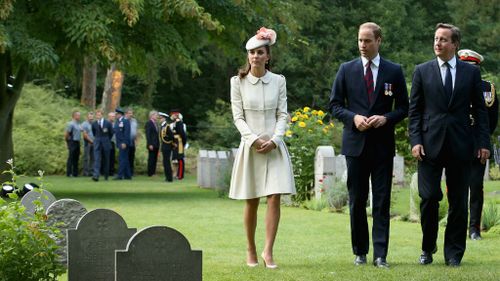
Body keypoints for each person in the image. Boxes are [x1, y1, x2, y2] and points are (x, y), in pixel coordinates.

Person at [409, 23, 490, 267]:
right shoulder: (422, 71)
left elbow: (481, 112)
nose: (437, 43)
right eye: (436, 39)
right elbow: (415, 111)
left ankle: (454, 253)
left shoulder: (471, 73)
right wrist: (415, 141)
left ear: (454, 44)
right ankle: (427, 247)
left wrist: (482, 142)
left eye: (443, 39)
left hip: (461, 145)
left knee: (458, 202)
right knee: (429, 197)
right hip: (429, 146)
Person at [328, 22, 409, 268]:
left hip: (383, 147)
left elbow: (405, 107)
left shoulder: (394, 71)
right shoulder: (346, 69)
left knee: (382, 202)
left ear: (378, 41)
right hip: (355, 146)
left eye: (367, 41)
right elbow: (334, 105)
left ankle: (381, 255)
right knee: (357, 201)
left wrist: (386, 118)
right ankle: (360, 252)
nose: (363, 45)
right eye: (360, 41)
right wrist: (353, 118)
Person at [229, 27, 295, 269]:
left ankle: (268, 251)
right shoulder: (237, 82)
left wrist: (275, 140)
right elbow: (238, 117)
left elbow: (282, 114)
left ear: (268, 56)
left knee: (274, 196)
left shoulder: (279, 81)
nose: (255, 56)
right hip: (251, 145)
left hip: (274, 146)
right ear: (248, 56)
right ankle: (251, 249)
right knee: (252, 199)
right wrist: (254, 139)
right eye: (251, 52)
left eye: (259, 52)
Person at [457, 49, 498, 241]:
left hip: (476, 144)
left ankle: (474, 228)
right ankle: (456, 223)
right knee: (456, 185)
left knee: (475, 186)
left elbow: (492, 120)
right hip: (455, 142)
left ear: (477, 68)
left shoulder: (487, 88)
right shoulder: (452, 84)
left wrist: (483, 142)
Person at [91, 109, 114, 181]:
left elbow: (111, 133)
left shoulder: (108, 123)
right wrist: (98, 139)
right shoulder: (94, 124)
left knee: (106, 159)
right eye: (97, 115)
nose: (98, 116)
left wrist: (106, 139)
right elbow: (94, 133)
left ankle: (106, 175)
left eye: (99, 114)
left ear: (102, 115)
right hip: (97, 142)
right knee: (97, 159)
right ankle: (96, 175)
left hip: (106, 142)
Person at [114, 108, 132, 180]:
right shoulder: (117, 121)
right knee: (125, 159)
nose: (116, 115)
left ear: (120, 114)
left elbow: (126, 133)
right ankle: (128, 175)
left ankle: (120, 175)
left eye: (117, 114)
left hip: (124, 143)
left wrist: (124, 142)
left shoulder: (125, 121)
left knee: (122, 159)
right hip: (119, 143)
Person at [170, 110, 187, 180]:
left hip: (179, 142)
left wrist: (183, 142)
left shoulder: (179, 122)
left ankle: (180, 175)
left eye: (173, 115)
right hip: (175, 142)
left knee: (180, 159)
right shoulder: (174, 123)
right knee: (175, 159)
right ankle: (176, 174)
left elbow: (182, 134)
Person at [64, 110, 82, 177]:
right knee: (71, 157)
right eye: (78, 115)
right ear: (74, 116)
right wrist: (68, 142)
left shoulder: (78, 124)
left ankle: (75, 173)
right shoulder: (70, 124)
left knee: (76, 158)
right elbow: (66, 134)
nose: (79, 116)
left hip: (77, 142)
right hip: (72, 142)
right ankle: (69, 173)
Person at [159, 112, 175, 182]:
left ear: (164, 118)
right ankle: (167, 177)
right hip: (164, 146)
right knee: (165, 162)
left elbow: (172, 136)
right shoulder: (162, 126)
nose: (160, 119)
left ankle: (169, 178)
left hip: (167, 146)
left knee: (167, 162)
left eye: (161, 118)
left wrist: (171, 144)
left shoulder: (167, 126)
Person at [145, 110, 160, 176]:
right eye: (156, 115)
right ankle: (150, 173)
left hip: (156, 144)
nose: (157, 117)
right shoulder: (149, 123)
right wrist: (149, 144)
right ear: (152, 115)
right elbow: (148, 134)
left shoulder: (156, 123)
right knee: (151, 158)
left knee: (154, 159)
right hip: (151, 144)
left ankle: (153, 172)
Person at [81, 111, 95, 177]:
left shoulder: (94, 124)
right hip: (87, 142)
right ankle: (85, 172)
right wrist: (91, 141)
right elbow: (84, 135)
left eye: (92, 117)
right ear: (87, 117)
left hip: (94, 143)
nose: (91, 118)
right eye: (90, 117)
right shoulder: (84, 124)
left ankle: (91, 171)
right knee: (86, 158)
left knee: (93, 158)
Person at [125, 108, 138, 176]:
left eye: (131, 113)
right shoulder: (123, 120)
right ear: (126, 114)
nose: (131, 114)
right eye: (129, 113)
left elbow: (136, 131)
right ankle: (126, 172)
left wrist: (136, 141)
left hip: (132, 141)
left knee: (131, 156)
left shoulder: (134, 121)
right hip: (126, 141)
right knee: (125, 157)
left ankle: (131, 172)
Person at [107, 111, 117, 176]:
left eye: (114, 116)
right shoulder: (106, 123)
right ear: (109, 117)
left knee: (112, 157)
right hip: (107, 142)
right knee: (106, 157)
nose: (113, 117)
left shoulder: (115, 124)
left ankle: (111, 171)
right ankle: (105, 171)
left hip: (113, 142)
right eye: (112, 116)